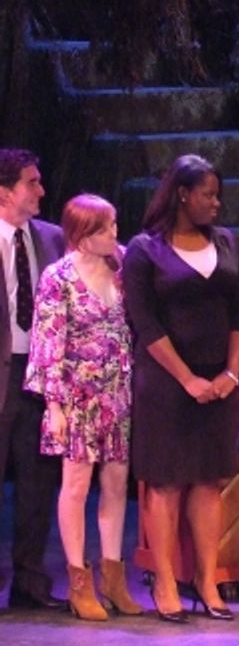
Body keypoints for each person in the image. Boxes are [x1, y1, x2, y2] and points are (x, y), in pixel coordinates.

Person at [124, 154, 239, 623]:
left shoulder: (226, 241)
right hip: (166, 382)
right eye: (207, 195)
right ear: (181, 195)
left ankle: (207, 581)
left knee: (208, 480)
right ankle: (165, 582)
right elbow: (145, 321)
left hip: (218, 382)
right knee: (167, 482)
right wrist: (187, 378)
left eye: (218, 195)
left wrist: (231, 373)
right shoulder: (145, 249)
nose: (216, 203)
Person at [24, 194, 140, 621]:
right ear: (82, 236)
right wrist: (54, 406)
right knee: (76, 484)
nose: (114, 234)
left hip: (117, 391)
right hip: (76, 395)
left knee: (116, 482)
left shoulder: (122, 266)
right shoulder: (59, 277)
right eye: (105, 228)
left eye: (114, 225)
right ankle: (78, 581)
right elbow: (48, 343)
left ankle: (114, 577)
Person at [0, 148, 66, 610]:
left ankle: (29, 580)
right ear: (5, 192)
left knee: (38, 481)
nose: (41, 190)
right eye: (31, 182)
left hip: (39, 377)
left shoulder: (52, 239)